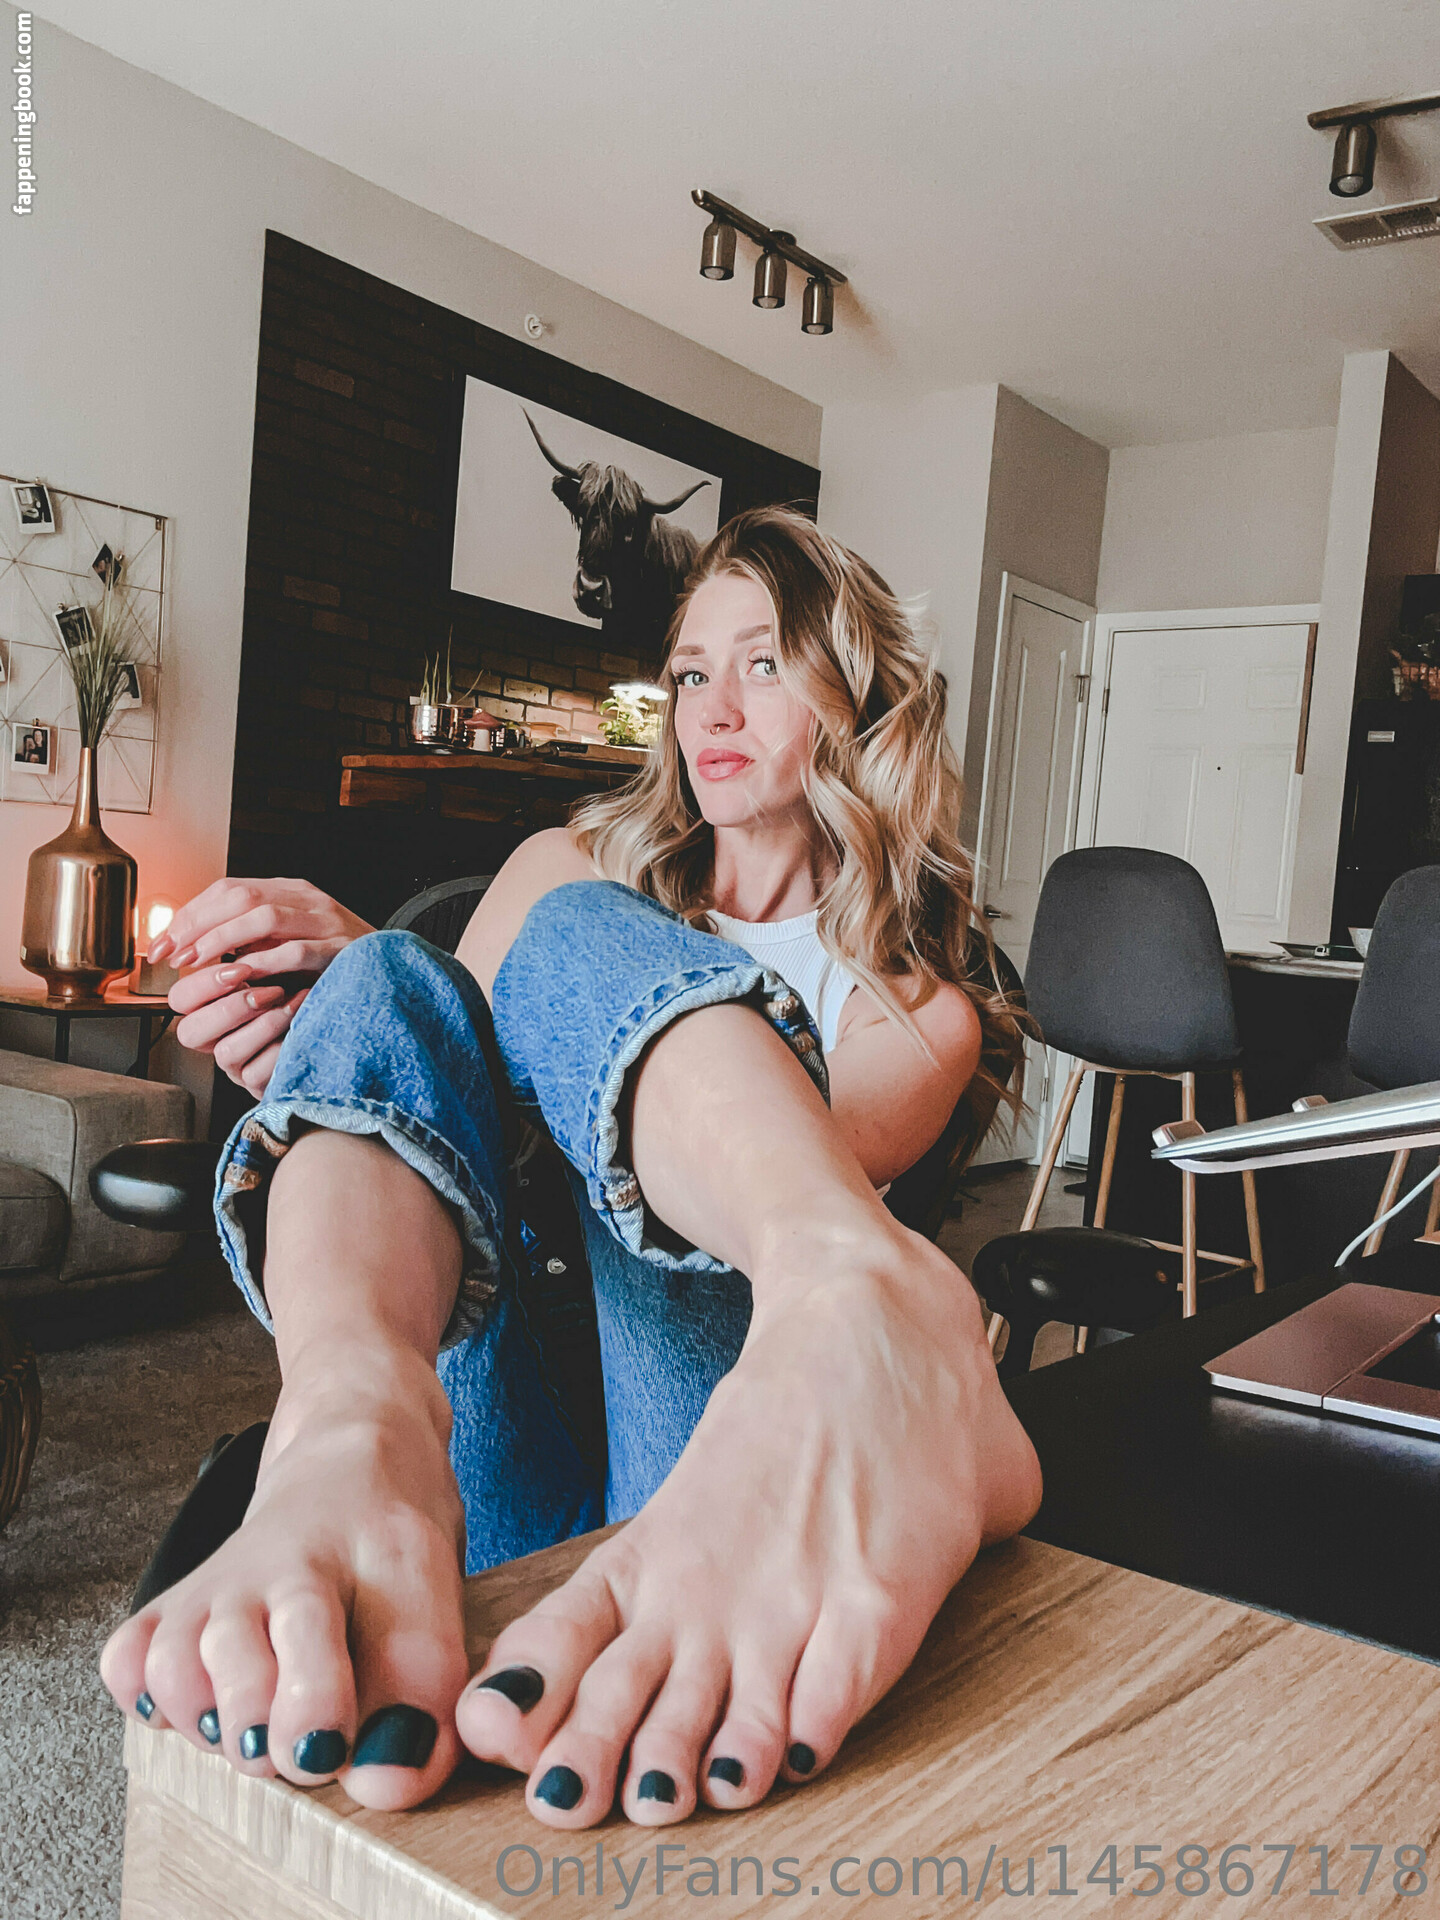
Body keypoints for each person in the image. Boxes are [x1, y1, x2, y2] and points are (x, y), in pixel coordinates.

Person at [100, 507, 1042, 1829]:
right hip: (490, 1438)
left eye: (764, 663)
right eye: (692, 671)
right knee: (388, 977)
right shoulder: (564, 859)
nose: (715, 708)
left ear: (860, 698)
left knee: (573, 931)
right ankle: (351, 1425)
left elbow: (737, 1165)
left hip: (719, 1461)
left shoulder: (917, 1005)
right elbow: (446, 1071)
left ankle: (862, 1292)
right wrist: (347, 1014)